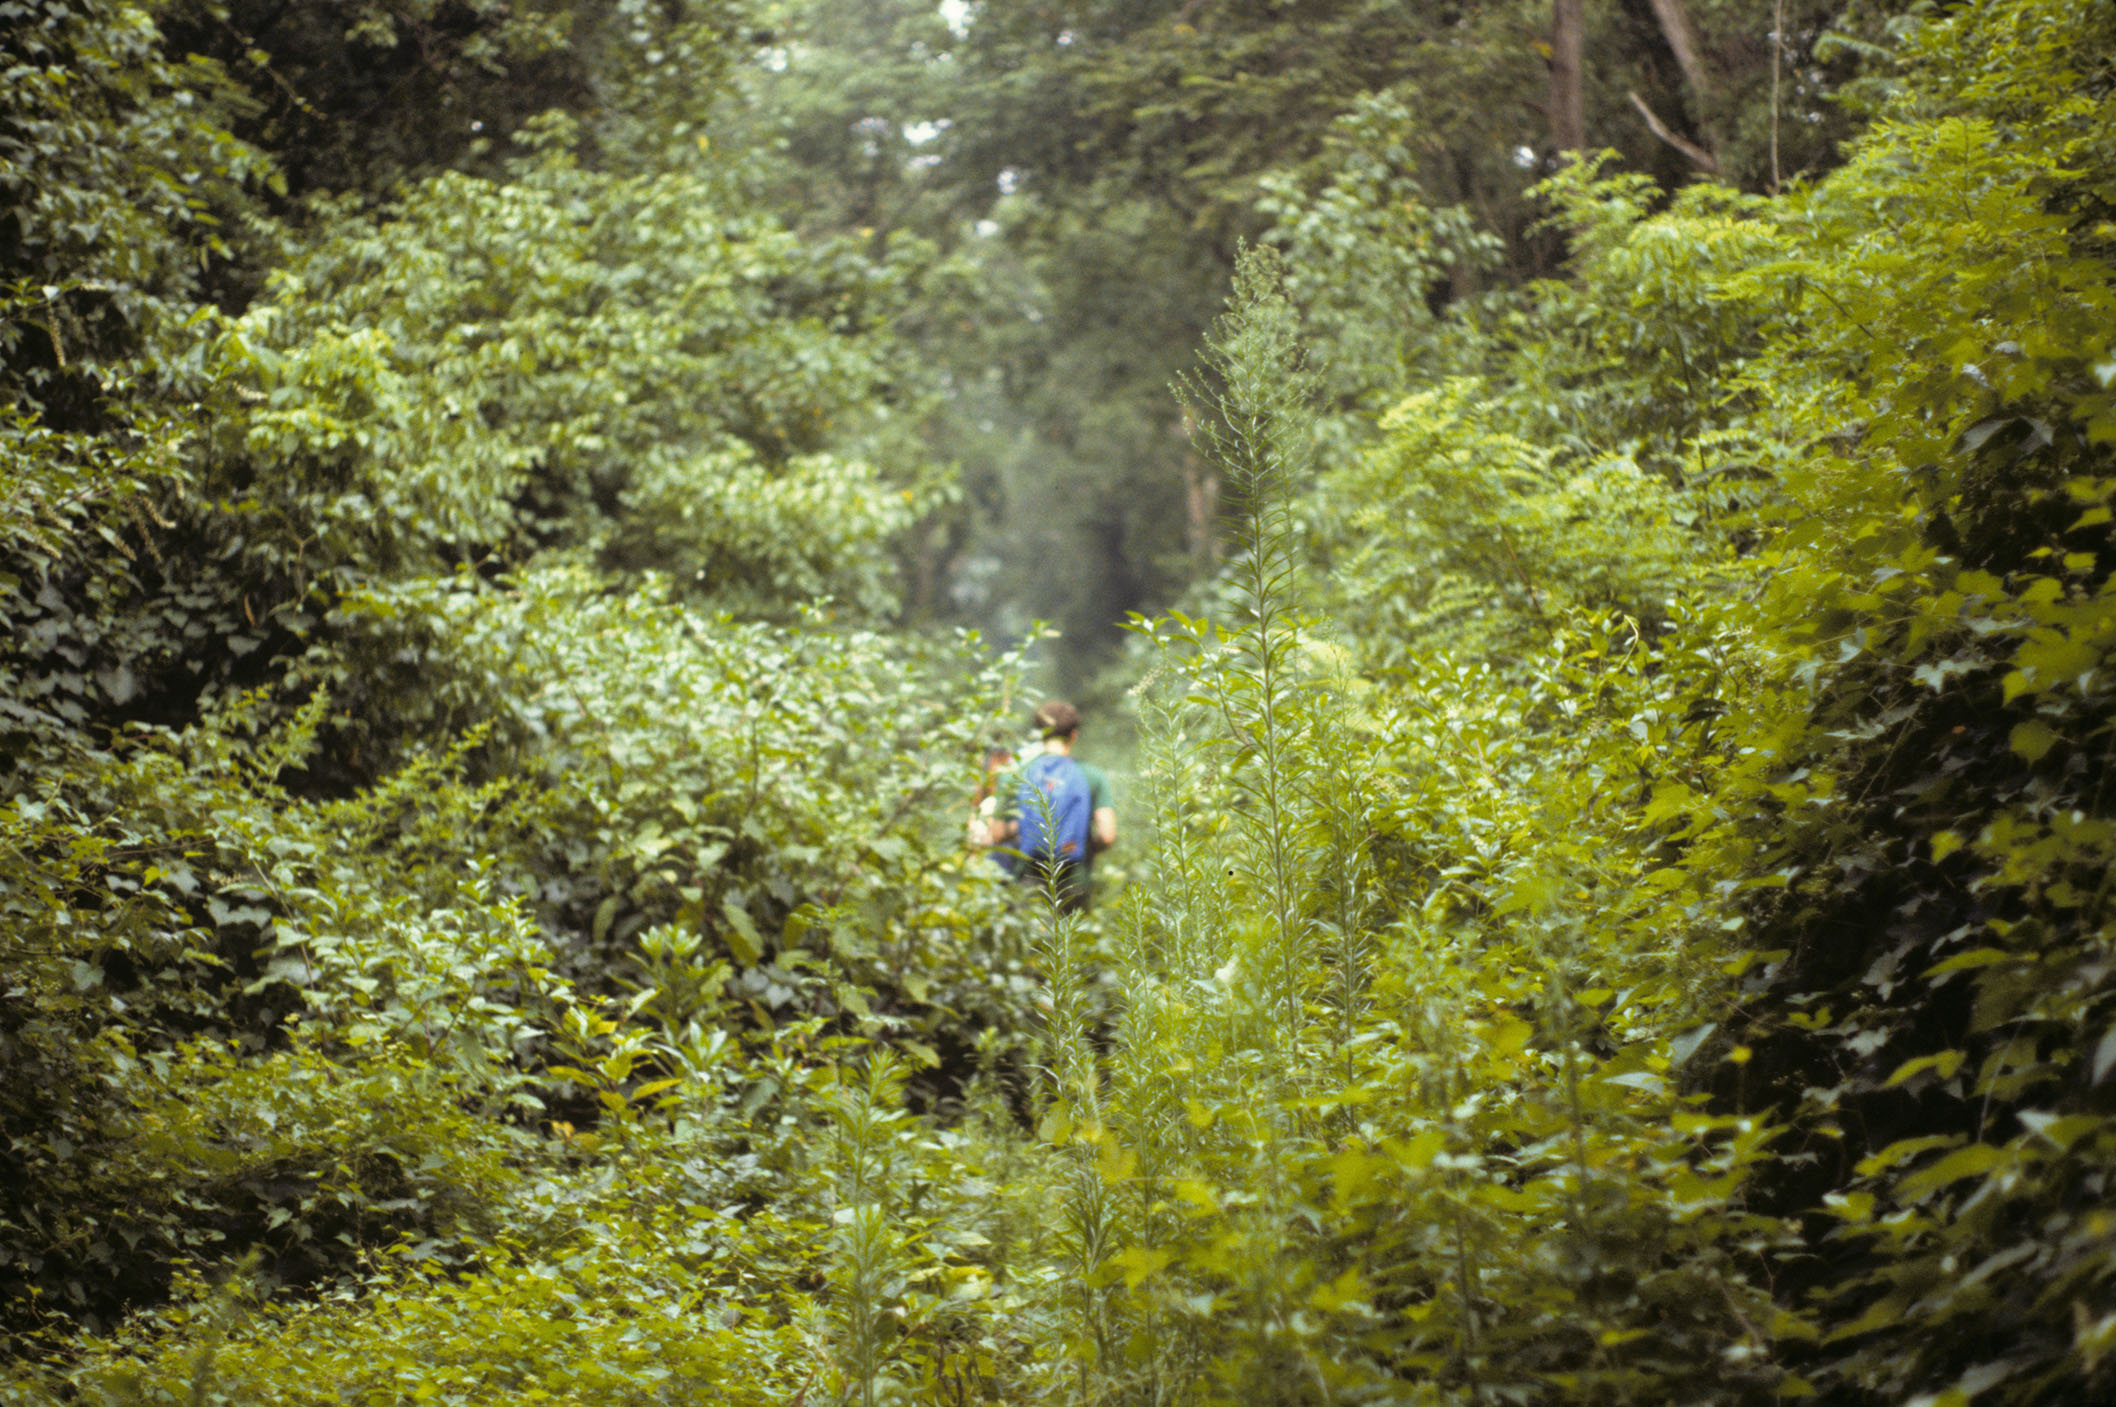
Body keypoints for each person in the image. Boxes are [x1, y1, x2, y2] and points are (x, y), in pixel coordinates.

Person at [978, 700, 1116, 913]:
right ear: (1074, 735)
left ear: (1039, 734)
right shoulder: (1092, 776)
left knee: (1032, 932)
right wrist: (1083, 844)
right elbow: (1107, 835)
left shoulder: (1016, 775)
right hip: (1075, 880)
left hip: (1029, 879)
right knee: (1071, 933)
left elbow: (996, 833)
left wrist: (1023, 828)